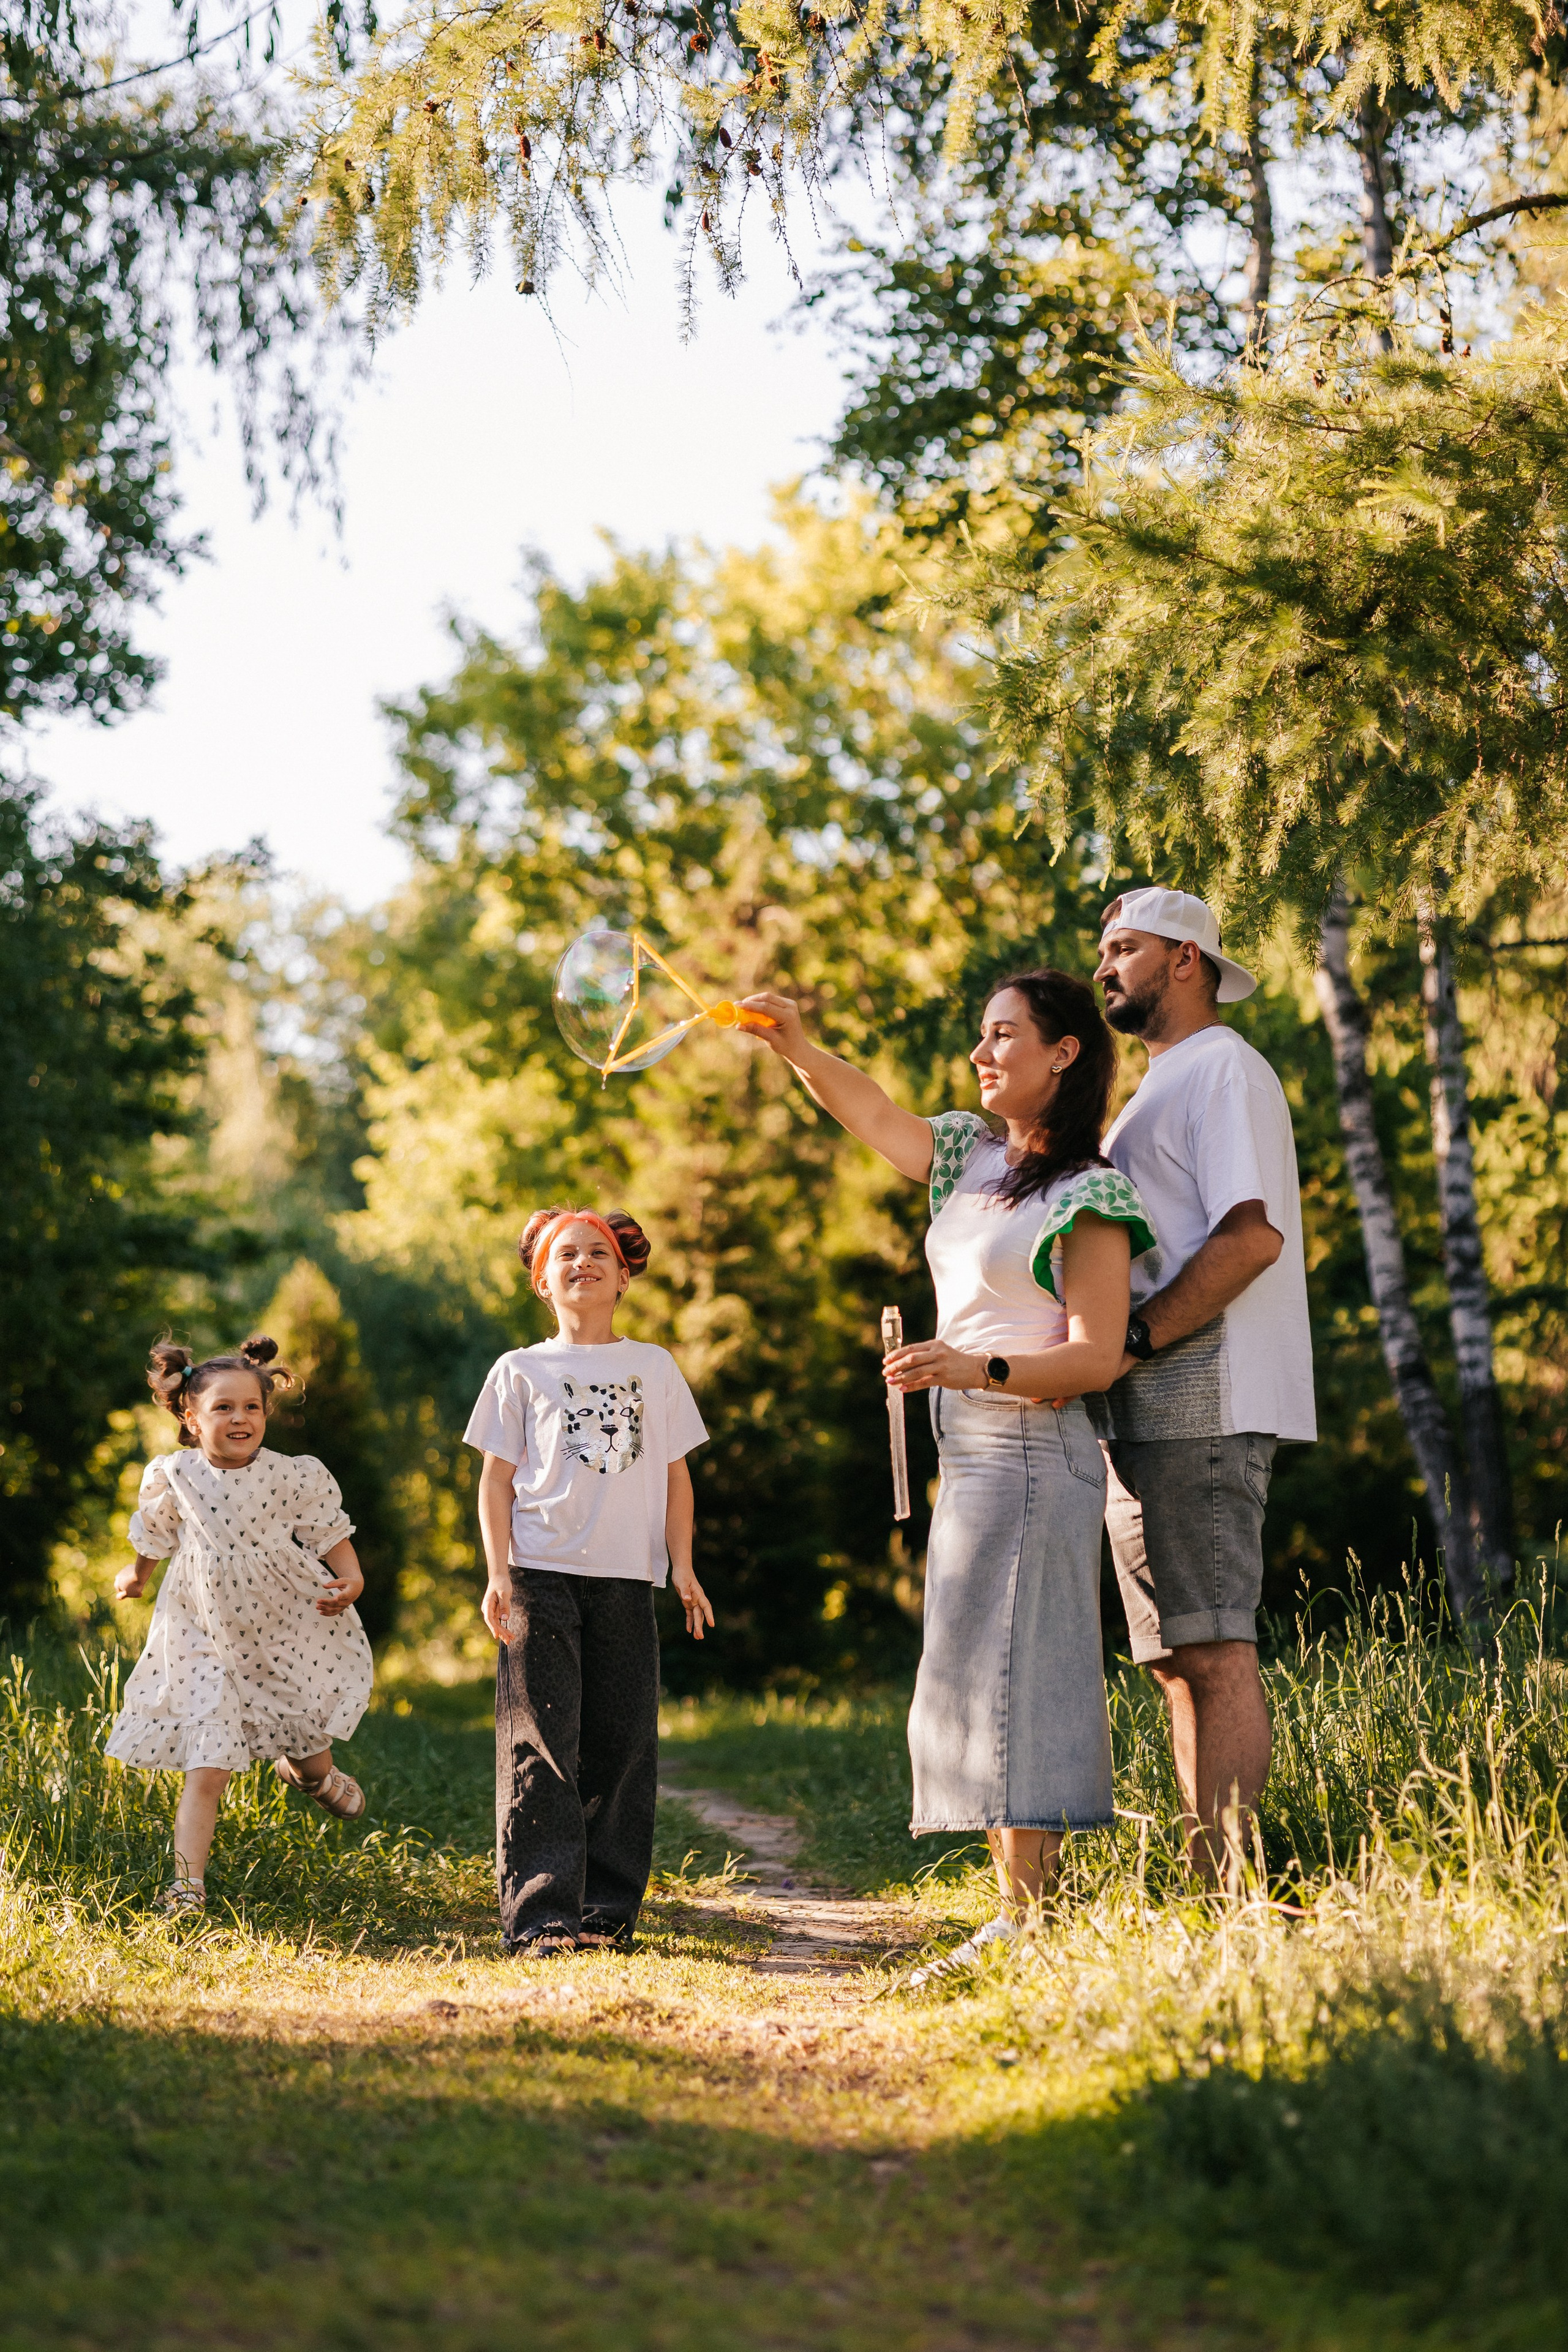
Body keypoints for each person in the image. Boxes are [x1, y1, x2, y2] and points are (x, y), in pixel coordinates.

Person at [737, 971, 1155, 1970]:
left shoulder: (1090, 1193)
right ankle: (1020, 1916)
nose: (981, 1053)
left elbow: (1098, 1357)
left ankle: (1029, 1923)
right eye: (982, 1035)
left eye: (1004, 1035)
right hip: (966, 1452)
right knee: (977, 1674)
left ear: (1064, 1052)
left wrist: (977, 1368)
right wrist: (795, 1045)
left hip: (1035, 1449)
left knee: (1020, 1673)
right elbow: (873, 1112)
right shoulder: (970, 1153)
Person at [1093, 887, 1316, 1882]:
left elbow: (1251, 1239)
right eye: (1102, 954)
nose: (1104, 968)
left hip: (1206, 1398)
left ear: (1187, 959)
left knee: (1215, 1651)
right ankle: (1208, 1888)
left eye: (1124, 948)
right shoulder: (1153, 1088)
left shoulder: (1224, 1066)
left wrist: (1134, 1340)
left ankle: (1234, 1895)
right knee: (1175, 1661)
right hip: (1138, 1412)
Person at [466, 1207, 714, 1958]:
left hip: (626, 1579)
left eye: (599, 1252)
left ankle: (605, 1914)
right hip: (539, 1577)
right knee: (540, 1745)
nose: (583, 1263)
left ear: (624, 1275)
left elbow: (676, 1476)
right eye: (566, 1254)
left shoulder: (654, 1367)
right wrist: (498, 1572)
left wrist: (682, 1567)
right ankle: (541, 1918)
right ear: (543, 1281)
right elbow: (495, 1481)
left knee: (622, 1744)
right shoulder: (519, 1370)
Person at [108, 1336, 373, 1915]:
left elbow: (328, 1531)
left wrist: (350, 1578)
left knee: (307, 1747)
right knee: (206, 1766)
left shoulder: (291, 1475)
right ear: (191, 1418)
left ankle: (313, 1779)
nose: (240, 1418)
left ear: (266, 1413)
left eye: (251, 1407)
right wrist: (137, 1575)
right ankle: (187, 1887)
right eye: (223, 1408)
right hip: (202, 1635)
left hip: (281, 1629)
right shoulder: (176, 1474)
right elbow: (155, 1532)